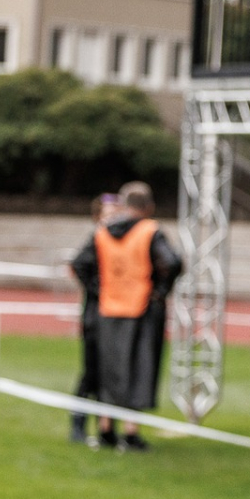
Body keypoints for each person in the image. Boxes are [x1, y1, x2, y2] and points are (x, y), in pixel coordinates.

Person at [70, 182, 180, 450]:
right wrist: (159, 291)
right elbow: (173, 262)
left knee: (110, 370)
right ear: (149, 207)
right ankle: (131, 433)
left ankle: (106, 429)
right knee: (137, 370)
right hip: (140, 309)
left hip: (108, 308)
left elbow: (79, 264)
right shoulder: (150, 231)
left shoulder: (102, 232)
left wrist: (101, 289)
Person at [69, 192, 119, 446]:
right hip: (95, 319)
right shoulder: (96, 242)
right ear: (97, 217)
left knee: (112, 375)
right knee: (90, 374)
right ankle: (77, 425)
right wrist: (100, 289)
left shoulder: (118, 243)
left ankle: (108, 429)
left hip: (114, 317)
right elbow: (78, 266)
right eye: (108, 215)